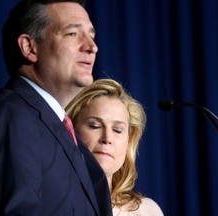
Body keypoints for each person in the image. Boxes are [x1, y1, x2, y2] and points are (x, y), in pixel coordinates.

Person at [0, 0, 112, 215]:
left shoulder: (59, 128)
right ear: (29, 47)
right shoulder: (12, 117)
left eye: (92, 36)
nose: (92, 47)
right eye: (73, 34)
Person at [66, 79, 164, 216]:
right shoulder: (52, 203)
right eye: (95, 126)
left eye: (117, 130)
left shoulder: (147, 211)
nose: (107, 138)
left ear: (128, 142)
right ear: (72, 131)